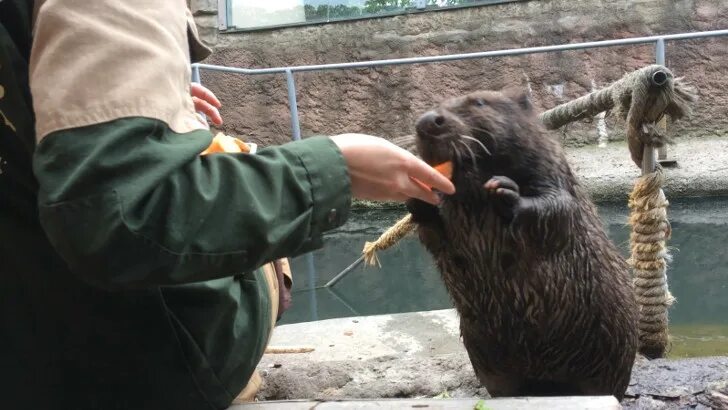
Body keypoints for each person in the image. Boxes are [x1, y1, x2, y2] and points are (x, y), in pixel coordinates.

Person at [0, 1, 454, 409]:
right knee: (242, 168)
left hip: (22, 350)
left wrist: (157, 95)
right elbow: (118, 217)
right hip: (131, 367)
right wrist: (335, 170)